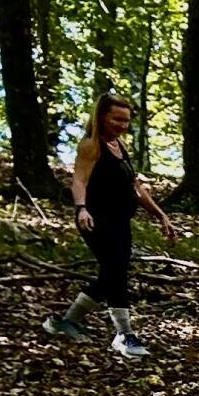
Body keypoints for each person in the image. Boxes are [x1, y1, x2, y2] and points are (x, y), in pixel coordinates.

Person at [45, 97, 174, 361]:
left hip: (120, 221)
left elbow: (136, 188)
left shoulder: (120, 146)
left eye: (126, 120)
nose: (122, 125)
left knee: (112, 273)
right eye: (117, 119)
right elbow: (78, 179)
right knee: (115, 271)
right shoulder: (92, 145)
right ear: (102, 116)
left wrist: (161, 215)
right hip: (95, 219)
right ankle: (124, 334)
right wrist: (81, 208)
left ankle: (66, 322)